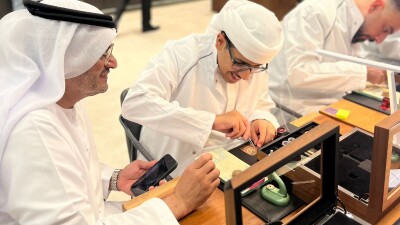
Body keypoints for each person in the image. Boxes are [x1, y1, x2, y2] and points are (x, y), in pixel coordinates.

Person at [0, 0, 220, 224]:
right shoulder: (33, 131)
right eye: (103, 54)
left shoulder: (64, 100)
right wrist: (178, 203)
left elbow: (67, 173)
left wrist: (115, 178)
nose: (113, 63)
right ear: (67, 59)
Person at [121, 0, 284, 176]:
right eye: (240, 63)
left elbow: (261, 104)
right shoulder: (181, 54)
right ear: (220, 42)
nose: (246, 76)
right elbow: (135, 103)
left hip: (229, 161)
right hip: (174, 167)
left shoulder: (253, 68)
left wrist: (262, 119)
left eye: (255, 67)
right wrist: (212, 121)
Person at [268, 0, 400, 117]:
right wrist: (365, 72)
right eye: (385, 29)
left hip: (328, 103)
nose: (379, 40)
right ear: (376, 6)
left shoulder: (356, 23)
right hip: (289, 109)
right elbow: (300, 72)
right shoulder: (314, 12)